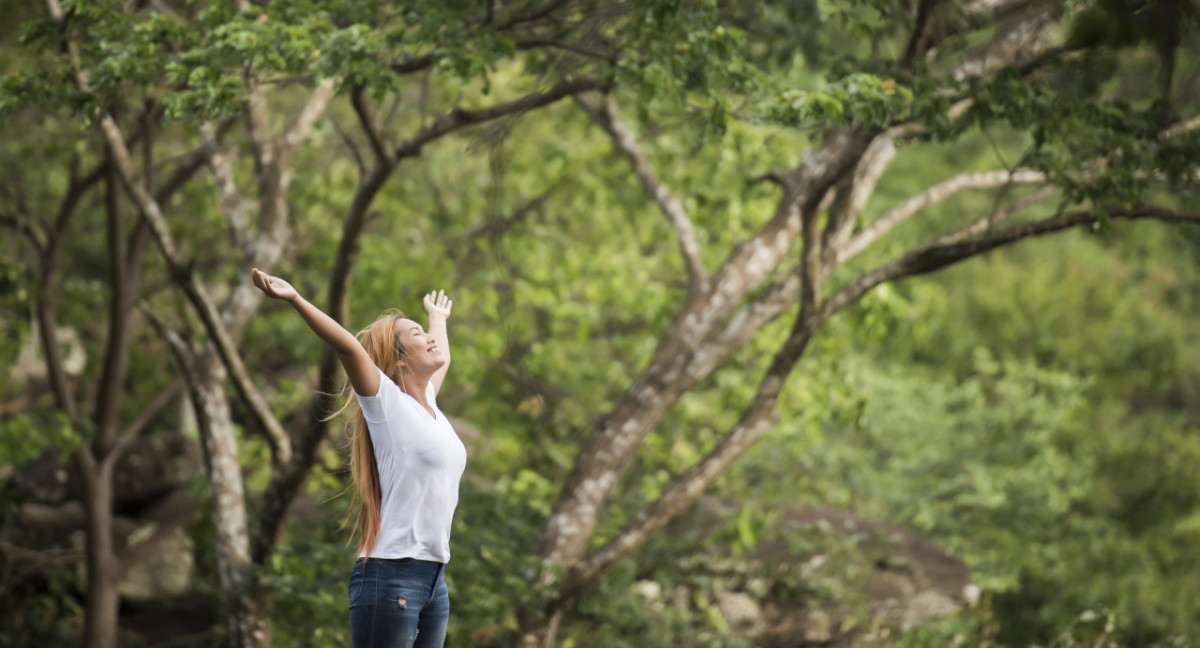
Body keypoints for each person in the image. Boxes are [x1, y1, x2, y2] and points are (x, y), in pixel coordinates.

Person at [250, 268, 466, 648]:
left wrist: (437, 319)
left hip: (435, 580)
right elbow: (349, 347)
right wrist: (295, 298)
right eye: (417, 334)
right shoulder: (386, 404)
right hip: (392, 577)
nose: (430, 340)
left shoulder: (429, 404)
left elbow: (443, 357)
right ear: (398, 360)